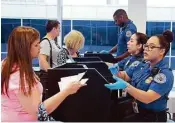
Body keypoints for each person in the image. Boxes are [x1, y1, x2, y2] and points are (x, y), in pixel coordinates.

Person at [1, 26, 86, 122]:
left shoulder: (10, 65)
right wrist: (66, 91)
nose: (40, 47)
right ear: (24, 48)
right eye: (36, 45)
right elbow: (40, 112)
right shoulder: (20, 76)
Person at [105, 30, 174, 122]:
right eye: (146, 46)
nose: (146, 49)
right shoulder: (143, 65)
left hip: (152, 118)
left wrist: (127, 86)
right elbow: (126, 76)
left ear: (162, 51)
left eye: (151, 47)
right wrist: (115, 72)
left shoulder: (164, 74)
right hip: (136, 111)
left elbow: (147, 98)